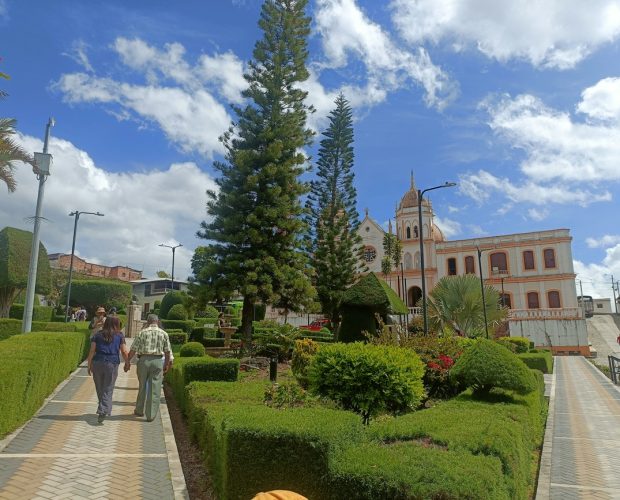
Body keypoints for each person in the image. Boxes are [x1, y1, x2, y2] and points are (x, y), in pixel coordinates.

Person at [124, 314, 172, 422]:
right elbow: (167, 352)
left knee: (142, 386)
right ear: (157, 321)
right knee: (154, 389)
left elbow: (133, 349)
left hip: (143, 361)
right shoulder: (163, 333)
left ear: (147, 322)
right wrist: (166, 364)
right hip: (157, 361)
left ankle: (139, 410)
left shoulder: (142, 332)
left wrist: (127, 362)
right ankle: (150, 415)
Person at [87, 316, 128, 423]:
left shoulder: (97, 335)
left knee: (100, 387)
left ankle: (103, 407)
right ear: (116, 324)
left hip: (97, 362)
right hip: (112, 363)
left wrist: (89, 364)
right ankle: (103, 410)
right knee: (108, 387)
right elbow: (124, 351)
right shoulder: (119, 336)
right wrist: (127, 362)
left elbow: (92, 351)